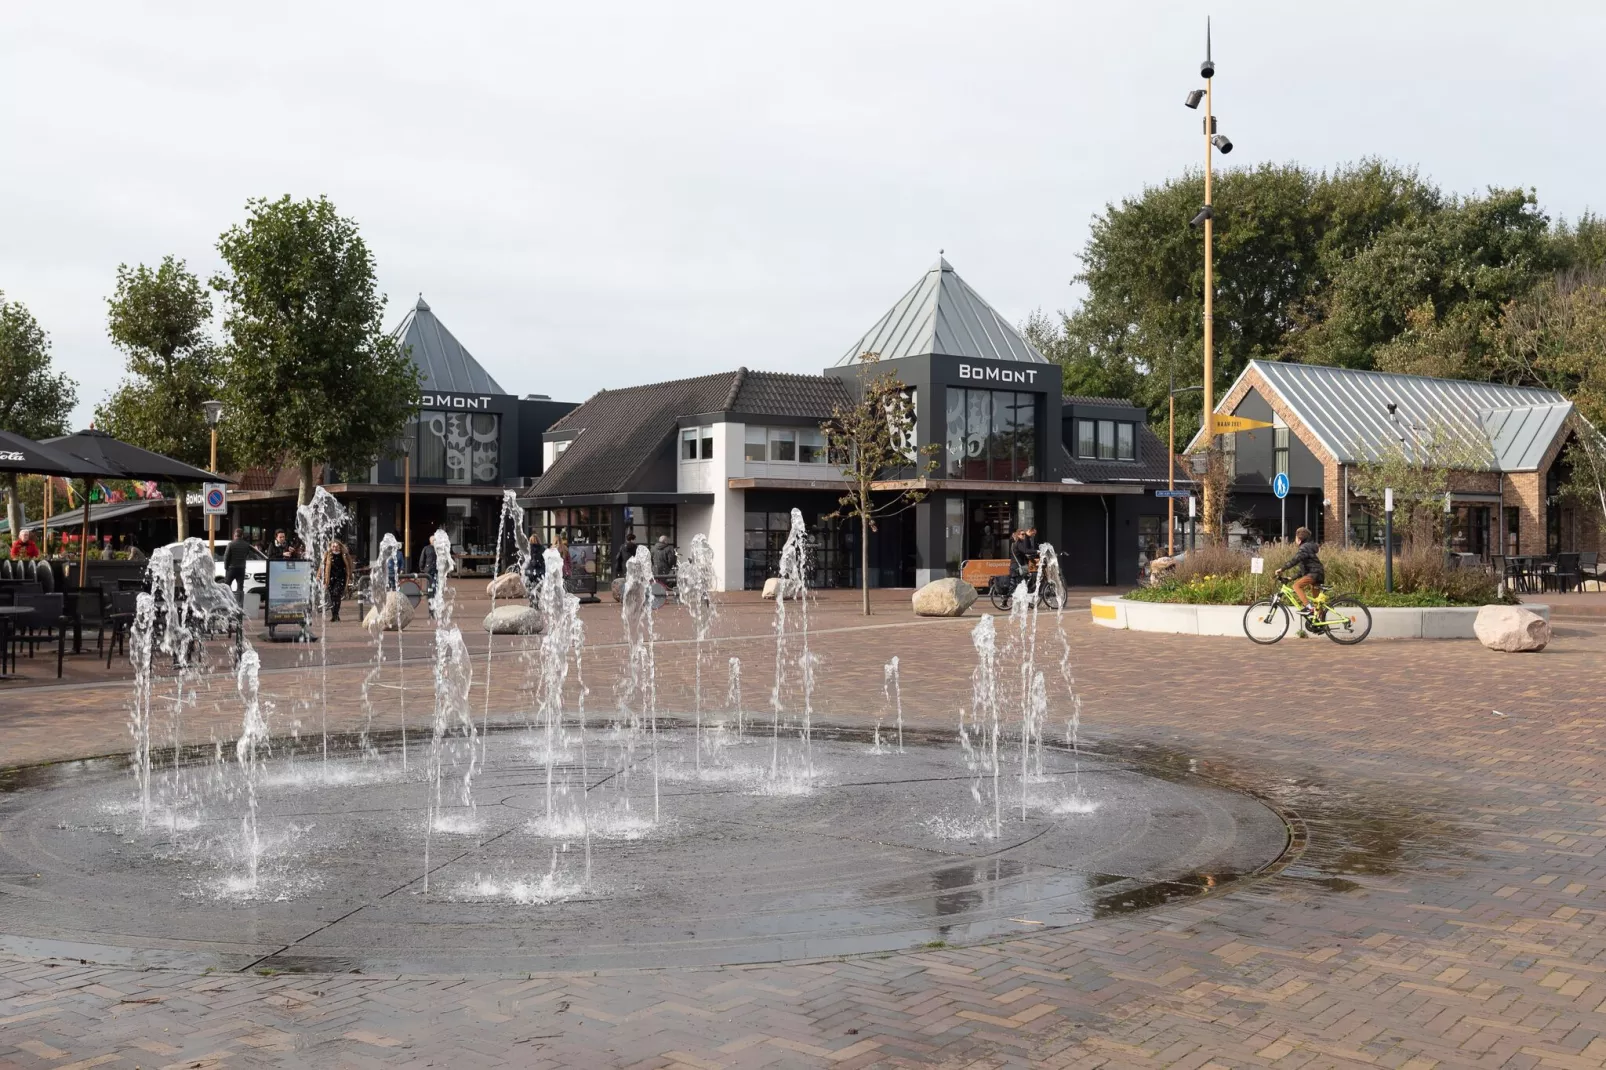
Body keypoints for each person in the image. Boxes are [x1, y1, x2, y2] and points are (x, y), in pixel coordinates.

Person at [1281, 526, 1325, 619]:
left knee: (1296, 586)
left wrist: (1282, 569)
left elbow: (1295, 560)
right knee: (1317, 601)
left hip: (1314, 574)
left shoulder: (1304, 548)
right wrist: (1291, 578)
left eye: (1296, 538)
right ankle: (1321, 622)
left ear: (1300, 539)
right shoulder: (1308, 548)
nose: (1295, 540)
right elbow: (1303, 571)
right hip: (1317, 574)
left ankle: (1308, 608)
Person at [323, 539, 353, 622]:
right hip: (330, 578)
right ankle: (334, 615)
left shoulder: (344, 554)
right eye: (333, 546)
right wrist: (319, 576)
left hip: (341, 578)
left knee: (336, 594)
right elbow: (322, 565)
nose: (335, 548)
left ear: (340, 547)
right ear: (331, 547)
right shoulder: (328, 554)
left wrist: (350, 575)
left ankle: (335, 614)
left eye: (336, 546)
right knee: (332, 596)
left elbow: (350, 565)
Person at [223, 527, 253, 605]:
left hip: (231, 568)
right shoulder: (246, 545)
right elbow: (247, 555)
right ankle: (239, 604)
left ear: (234, 535)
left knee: (227, 586)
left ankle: (228, 603)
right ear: (242, 535)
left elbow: (226, 557)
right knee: (240, 587)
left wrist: (226, 567)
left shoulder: (231, 544)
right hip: (241, 568)